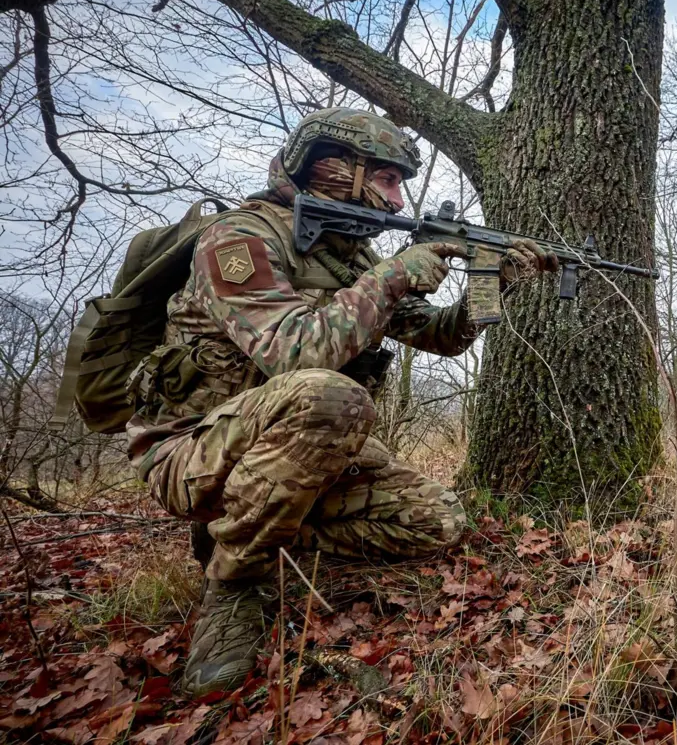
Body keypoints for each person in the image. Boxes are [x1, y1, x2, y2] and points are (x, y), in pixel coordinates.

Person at [125, 107, 557, 698]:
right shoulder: (240, 239)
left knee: (439, 521)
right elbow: (295, 356)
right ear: (336, 169)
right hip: (192, 449)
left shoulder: (351, 259)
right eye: (387, 180)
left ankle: (244, 529)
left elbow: (441, 337)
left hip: (293, 456)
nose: (399, 202)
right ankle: (233, 587)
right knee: (333, 396)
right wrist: (396, 275)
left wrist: (491, 279)